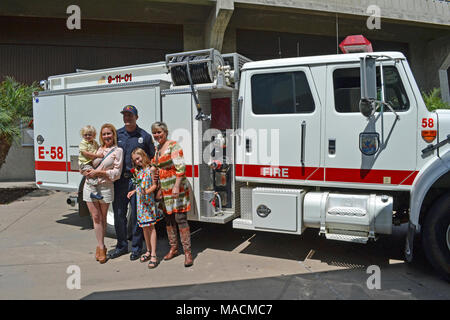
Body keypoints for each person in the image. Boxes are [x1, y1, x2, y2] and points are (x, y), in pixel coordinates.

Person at [109, 105, 156, 261]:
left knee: (137, 216)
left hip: (137, 181)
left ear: (136, 117)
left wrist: (153, 182)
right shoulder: (117, 134)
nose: (127, 118)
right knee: (119, 214)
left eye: (130, 115)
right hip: (120, 181)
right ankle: (121, 246)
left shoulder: (145, 136)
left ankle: (137, 248)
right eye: (125, 115)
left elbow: (152, 159)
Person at [151, 121, 193, 267]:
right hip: (164, 189)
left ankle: (188, 253)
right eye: (155, 133)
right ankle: (174, 248)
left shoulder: (173, 145)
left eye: (159, 132)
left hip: (177, 188)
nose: (157, 135)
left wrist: (176, 186)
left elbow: (181, 167)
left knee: (180, 218)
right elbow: (155, 167)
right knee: (168, 219)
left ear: (165, 132)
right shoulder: (157, 149)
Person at [82, 123, 123, 264]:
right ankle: (101, 247)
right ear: (101, 136)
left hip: (105, 187)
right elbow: (85, 161)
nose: (107, 136)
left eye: (109, 133)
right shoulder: (96, 148)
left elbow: (117, 173)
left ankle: (101, 245)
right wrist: (84, 171)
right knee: (96, 216)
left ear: (114, 135)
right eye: (104, 134)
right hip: (90, 186)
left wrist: (99, 172)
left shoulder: (118, 151)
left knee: (103, 216)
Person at [127, 148, 163, 269]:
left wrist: (147, 192)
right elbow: (139, 186)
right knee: (144, 228)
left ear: (143, 155)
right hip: (140, 203)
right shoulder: (139, 171)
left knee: (151, 227)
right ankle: (147, 250)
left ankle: (154, 254)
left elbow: (154, 185)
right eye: (135, 160)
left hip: (148, 202)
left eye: (138, 158)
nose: (137, 161)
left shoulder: (151, 169)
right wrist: (133, 191)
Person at [78, 125, 103, 200]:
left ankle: (94, 192)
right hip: (85, 163)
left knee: (94, 175)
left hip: (90, 163)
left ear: (94, 135)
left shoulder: (94, 142)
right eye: (85, 135)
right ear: (83, 135)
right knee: (92, 175)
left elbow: (99, 148)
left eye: (90, 135)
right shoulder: (83, 143)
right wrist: (98, 155)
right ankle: (93, 193)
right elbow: (86, 154)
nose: (88, 136)